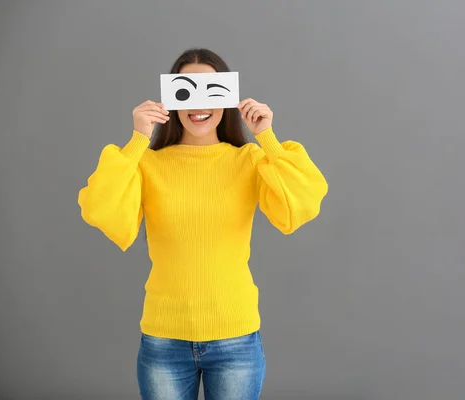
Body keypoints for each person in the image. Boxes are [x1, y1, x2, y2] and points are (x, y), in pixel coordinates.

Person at [77, 48, 328, 400]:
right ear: (171, 99)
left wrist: (266, 137)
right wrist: (137, 140)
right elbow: (101, 209)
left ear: (226, 99)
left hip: (236, 337)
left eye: (211, 90)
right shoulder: (148, 164)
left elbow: (301, 203)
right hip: (164, 337)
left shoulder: (249, 160)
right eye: (186, 90)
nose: (199, 103)